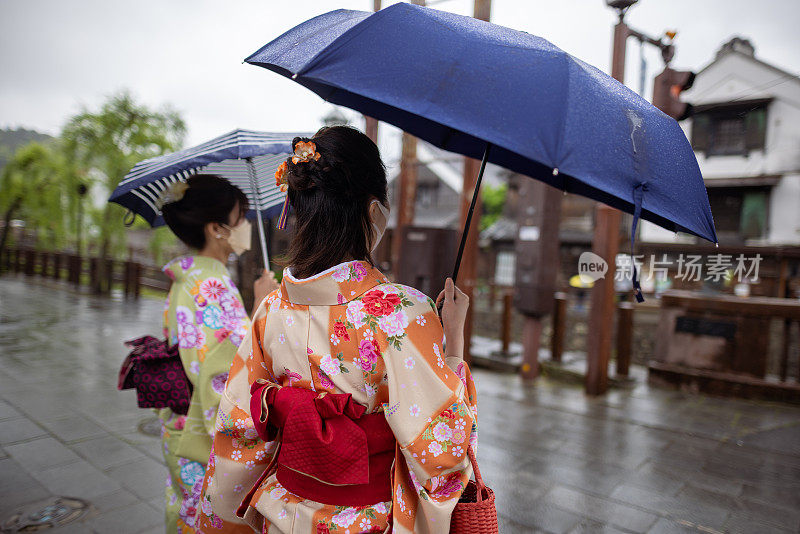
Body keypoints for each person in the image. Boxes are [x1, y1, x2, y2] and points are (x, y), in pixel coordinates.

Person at [197, 127, 477, 533]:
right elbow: (441, 448)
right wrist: (453, 347)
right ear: (373, 211)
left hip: (283, 514)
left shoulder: (270, 309)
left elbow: (239, 427)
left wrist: (222, 516)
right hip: (367, 521)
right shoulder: (401, 311)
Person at [158, 174, 278, 533]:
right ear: (217, 229)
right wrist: (259, 307)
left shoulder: (197, 278)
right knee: (205, 518)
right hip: (202, 429)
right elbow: (221, 366)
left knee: (187, 512)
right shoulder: (209, 284)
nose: (245, 225)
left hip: (184, 421)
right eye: (240, 217)